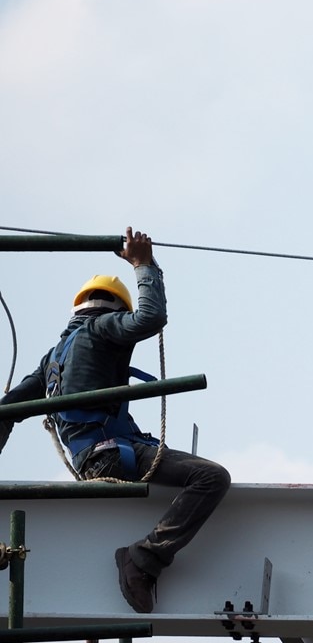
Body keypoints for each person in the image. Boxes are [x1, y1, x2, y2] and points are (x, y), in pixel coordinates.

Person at [0, 227, 231, 614]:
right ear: (114, 309)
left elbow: (8, 409)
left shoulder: (52, 359)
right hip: (113, 453)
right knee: (211, 477)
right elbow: (151, 317)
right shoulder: (102, 329)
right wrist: (144, 266)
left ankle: (143, 557)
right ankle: (144, 558)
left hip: (89, 460)